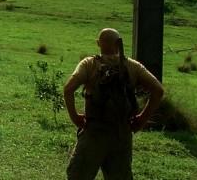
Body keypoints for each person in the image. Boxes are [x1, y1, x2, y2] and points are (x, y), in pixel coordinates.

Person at [64, 28, 164, 180]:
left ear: (98, 44)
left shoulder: (88, 64)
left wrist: (75, 117)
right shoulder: (133, 66)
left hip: (94, 133)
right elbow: (158, 91)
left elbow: (68, 89)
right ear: (119, 44)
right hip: (122, 134)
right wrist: (141, 119)